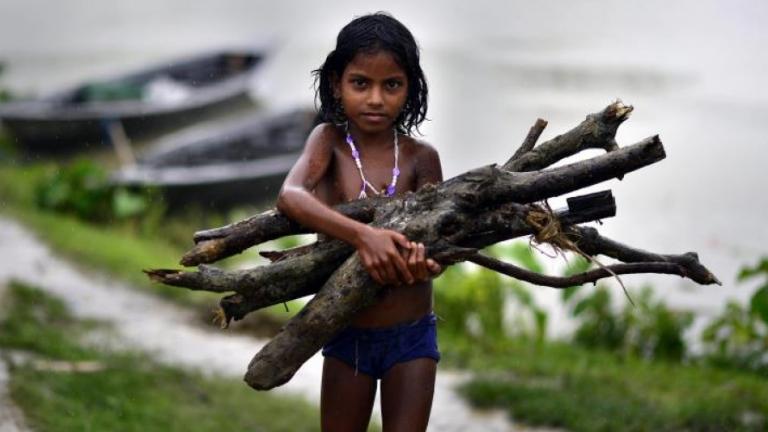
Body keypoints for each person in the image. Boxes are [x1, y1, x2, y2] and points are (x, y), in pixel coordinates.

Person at [276, 12, 444, 432]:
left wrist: (429, 262)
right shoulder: (328, 142)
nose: (375, 99)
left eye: (391, 85)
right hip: (348, 329)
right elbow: (291, 195)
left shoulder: (421, 158)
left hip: (412, 335)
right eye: (360, 83)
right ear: (337, 82)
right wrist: (363, 236)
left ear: (410, 88)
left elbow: (441, 240)